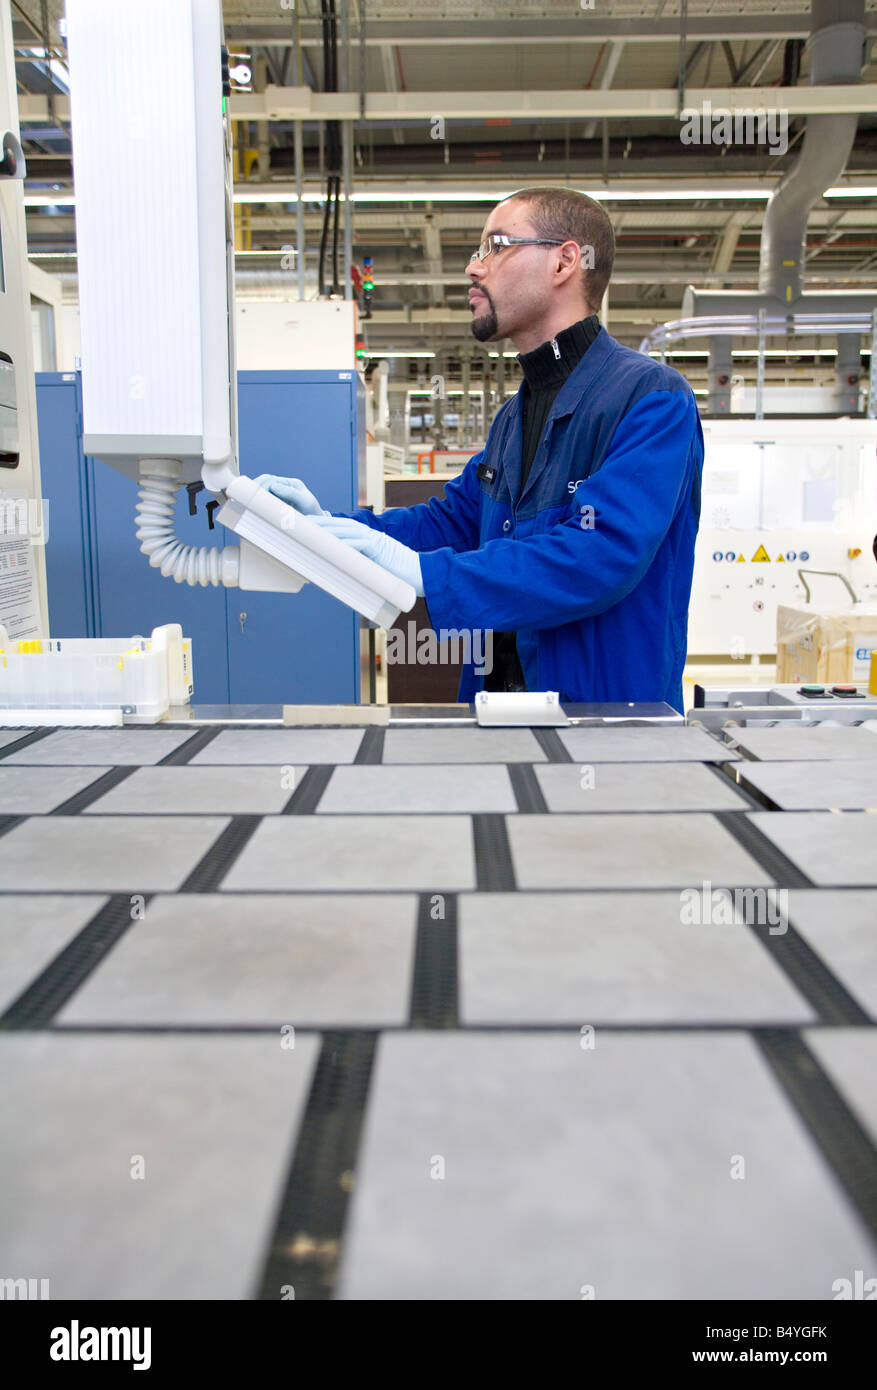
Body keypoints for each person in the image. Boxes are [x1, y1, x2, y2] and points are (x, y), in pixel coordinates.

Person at [257, 186, 704, 711]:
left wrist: (427, 575)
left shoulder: (651, 399)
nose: (474, 269)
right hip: (500, 714)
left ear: (564, 261)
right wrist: (328, 529)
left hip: (606, 724)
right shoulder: (514, 419)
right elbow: (451, 524)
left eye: (495, 245)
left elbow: (602, 553)